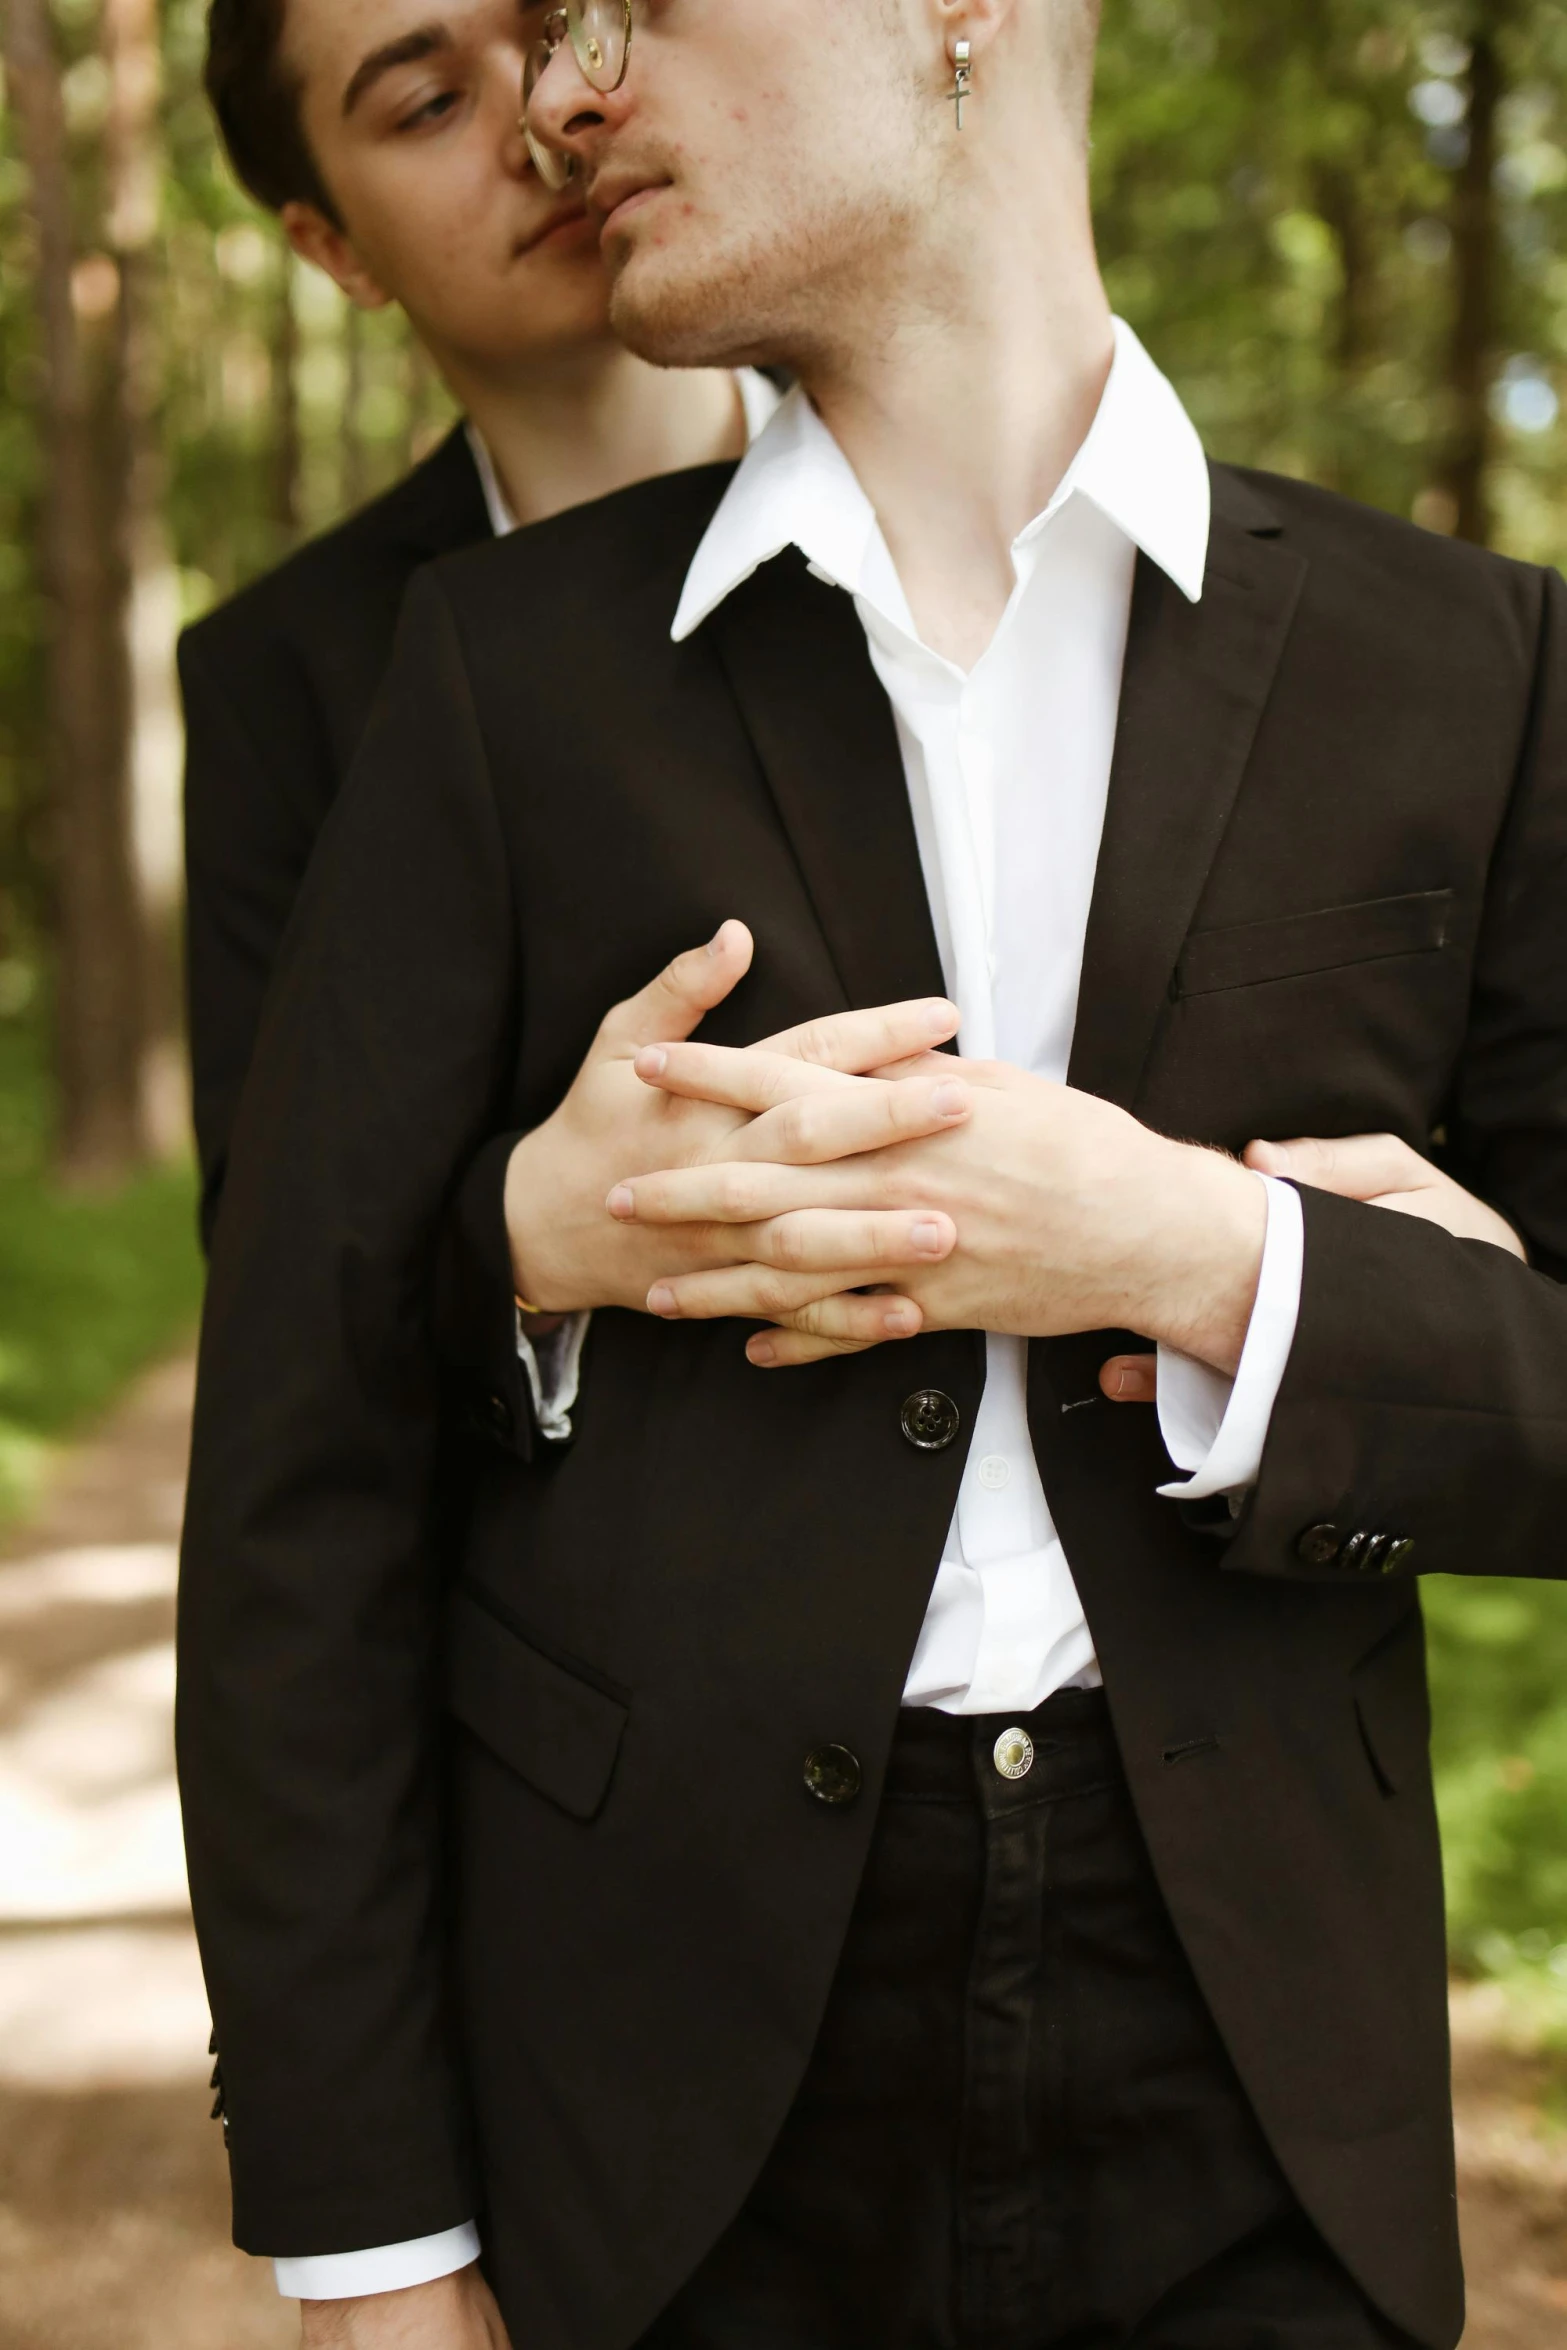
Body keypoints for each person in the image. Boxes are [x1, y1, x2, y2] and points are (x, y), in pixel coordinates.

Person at [176, 2, 1567, 2347]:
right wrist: (368, 2238)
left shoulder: (1466, 664)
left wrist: (1191, 1247)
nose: (572, 89)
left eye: (635, 2)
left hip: (1253, 2085)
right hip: (662, 2094)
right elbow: (294, 1480)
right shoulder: (495, 676)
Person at [182, 0, 779, 1243]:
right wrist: (522, 1234)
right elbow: (278, 1251)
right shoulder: (281, 680)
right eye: (428, 105)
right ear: (334, 249)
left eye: (560, 24)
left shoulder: (933, 458)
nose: (541, 117)